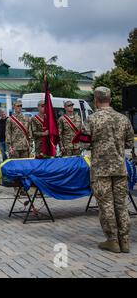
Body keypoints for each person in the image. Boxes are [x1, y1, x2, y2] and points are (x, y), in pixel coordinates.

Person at [84, 87, 135, 253]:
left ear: (96, 100)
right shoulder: (123, 119)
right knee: (121, 204)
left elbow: (84, 143)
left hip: (101, 170)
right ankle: (125, 241)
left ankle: (112, 240)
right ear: (110, 99)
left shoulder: (91, 119)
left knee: (106, 204)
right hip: (120, 168)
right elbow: (129, 143)